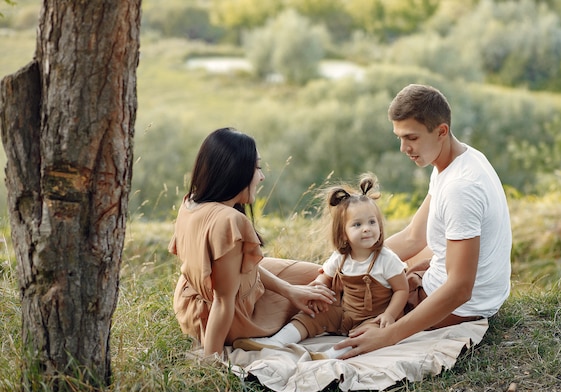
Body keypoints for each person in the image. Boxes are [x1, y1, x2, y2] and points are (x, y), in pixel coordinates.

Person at [334, 84, 512, 359]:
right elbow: (413, 238)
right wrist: (345, 262)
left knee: (337, 304)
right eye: (399, 138)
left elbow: (460, 289)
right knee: (336, 277)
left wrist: (388, 336)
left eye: (412, 138)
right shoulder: (456, 160)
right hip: (459, 289)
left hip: (458, 306)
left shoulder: (460, 188)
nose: (404, 148)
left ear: (441, 131)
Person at [169, 127, 336, 358]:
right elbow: (222, 301)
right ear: (236, 172)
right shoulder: (229, 221)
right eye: (256, 168)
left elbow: (238, 268)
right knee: (335, 288)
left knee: (324, 278)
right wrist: (211, 363)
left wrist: (290, 291)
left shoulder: (191, 202)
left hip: (192, 303)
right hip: (223, 316)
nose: (261, 176)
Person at [233, 173, 409, 359]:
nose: (367, 228)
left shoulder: (386, 259)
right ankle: (276, 342)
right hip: (345, 311)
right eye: (357, 224)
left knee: (367, 334)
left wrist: (390, 315)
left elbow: (402, 290)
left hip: (374, 317)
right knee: (312, 315)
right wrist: (318, 286)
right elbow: (325, 275)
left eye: (372, 222)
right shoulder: (341, 257)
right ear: (343, 234)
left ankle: (332, 354)